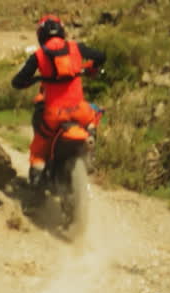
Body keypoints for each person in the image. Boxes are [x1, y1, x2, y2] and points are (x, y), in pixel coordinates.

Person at [11, 14, 105, 186]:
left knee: (39, 149)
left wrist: (33, 80)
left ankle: (36, 187)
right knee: (95, 114)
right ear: (61, 31)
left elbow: (17, 82)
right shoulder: (76, 47)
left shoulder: (38, 56)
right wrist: (92, 69)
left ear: (41, 35)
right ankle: (91, 142)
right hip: (80, 112)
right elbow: (101, 55)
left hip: (54, 116)